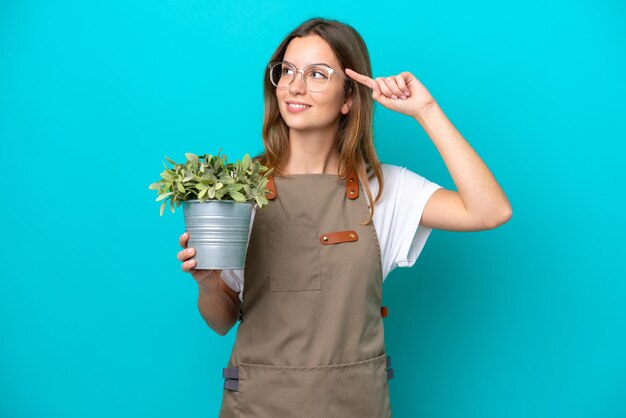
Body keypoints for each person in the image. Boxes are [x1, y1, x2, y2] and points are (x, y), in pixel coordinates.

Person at [177, 17, 511, 417]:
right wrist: (210, 284)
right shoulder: (239, 190)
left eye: (318, 74)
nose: (295, 86)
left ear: (349, 97)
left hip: (355, 406)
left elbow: (491, 210)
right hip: (257, 406)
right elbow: (221, 321)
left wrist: (426, 110)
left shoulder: (386, 190)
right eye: (287, 71)